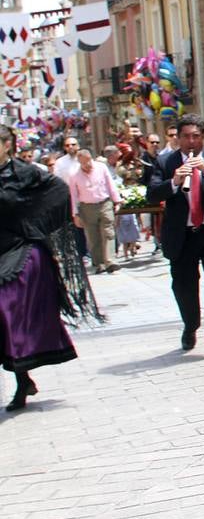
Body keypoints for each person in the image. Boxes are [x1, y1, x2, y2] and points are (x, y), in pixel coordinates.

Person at [0, 125, 100, 412]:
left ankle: (21, 382)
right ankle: (23, 379)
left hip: (20, 249)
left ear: (8, 145)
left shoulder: (24, 172)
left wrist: (34, 225)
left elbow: (57, 192)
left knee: (7, 306)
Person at [146, 114, 204, 361]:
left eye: (196, 137)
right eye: (186, 137)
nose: (191, 142)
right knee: (184, 288)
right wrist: (175, 181)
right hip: (182, 235)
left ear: (202, 138)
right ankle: (190, 325)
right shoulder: (165, 162)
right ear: (178, 139)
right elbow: (152, 194)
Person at [68, 149, 122, 274]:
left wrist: (117, 200)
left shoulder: (101, 168)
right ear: (79, 163)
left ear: (91, 158)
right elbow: (74, 196)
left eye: (88, 162)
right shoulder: (74, 175)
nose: (87, 165)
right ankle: (99, 263)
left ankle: (110, 260)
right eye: (83, 163)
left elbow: (110, 184)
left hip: (104, 203)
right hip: (87, 207)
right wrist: (75, 214)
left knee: (108, 232)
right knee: (93, 236)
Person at [114, 143, 143, 260]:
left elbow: (142, 173)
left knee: (137, 219)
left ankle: (134, 241)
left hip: (138, 192)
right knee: (127, 220)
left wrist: (139, 169)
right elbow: (121, 174)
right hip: (126, 193)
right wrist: (132, 172)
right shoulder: (120, 165)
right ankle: (127, 246)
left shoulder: (137, 162)